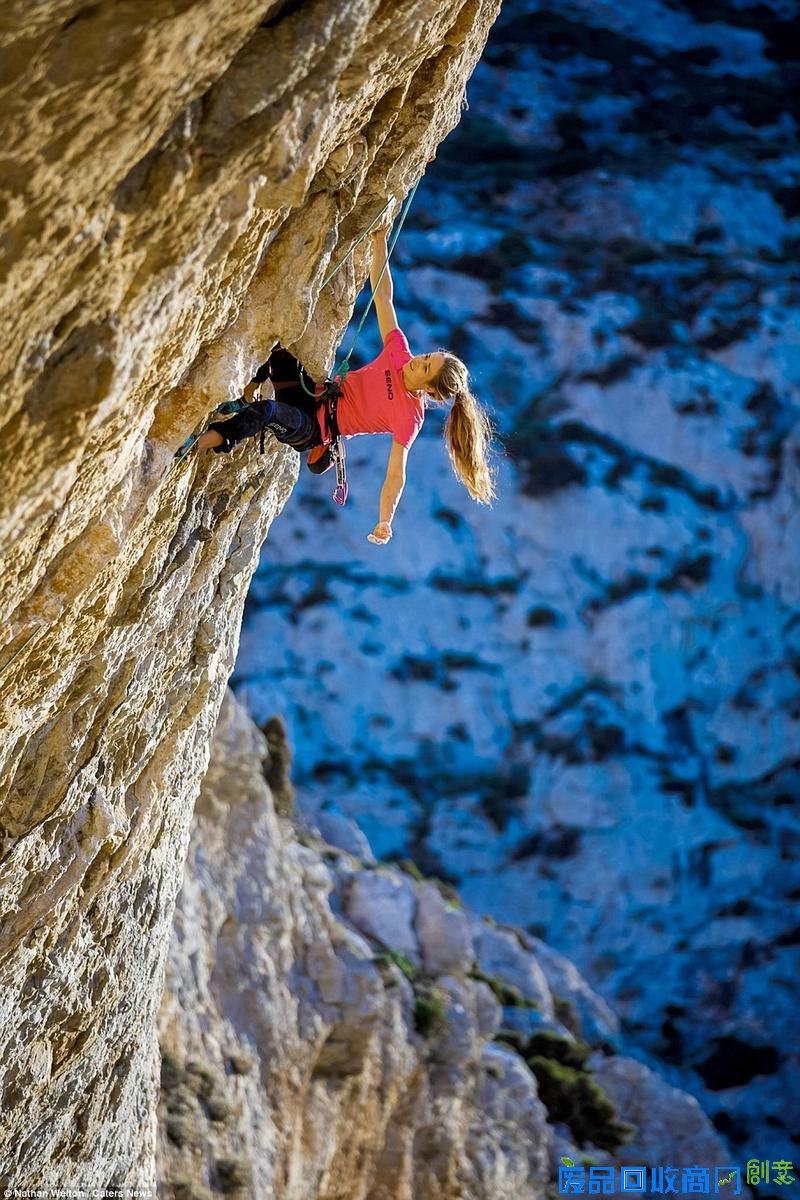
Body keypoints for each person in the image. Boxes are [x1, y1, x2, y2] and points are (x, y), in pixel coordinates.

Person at [196, 224, 496, 545]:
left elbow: (396, 475)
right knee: (276, 350)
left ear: (430, 390)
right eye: (426, 356)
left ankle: (205, 441)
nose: (417, 360)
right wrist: (380, 241)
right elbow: (383, 297)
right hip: (313, 395)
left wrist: (384, 520)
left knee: (269, 411)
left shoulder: (409, 417)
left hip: (315, 428)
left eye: (425, 366)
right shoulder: (398, 352)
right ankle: (245, 394)